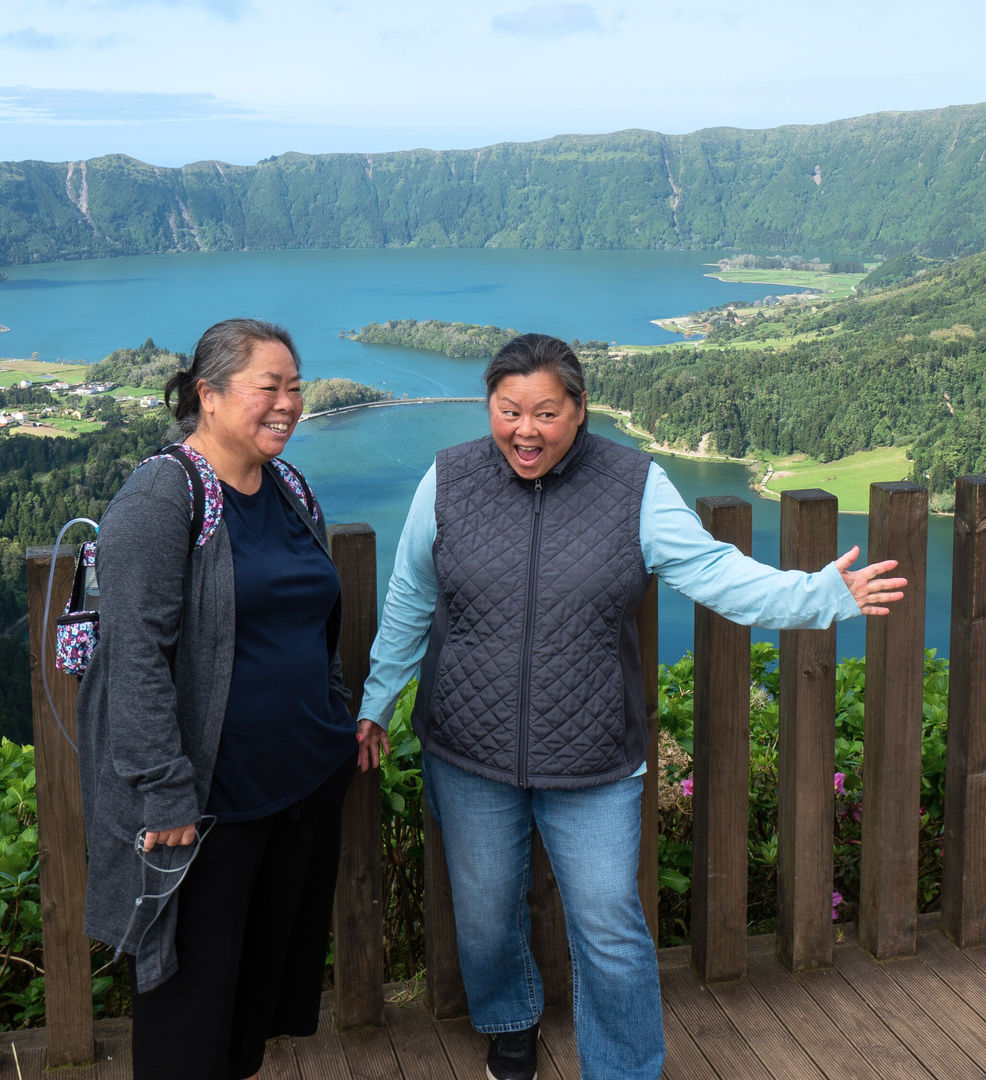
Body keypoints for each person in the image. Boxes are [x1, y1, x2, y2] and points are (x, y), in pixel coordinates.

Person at [354, 333, 906, 1080]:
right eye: (508, 410)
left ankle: (624, 1069)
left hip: (592, 754)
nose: (525, 430)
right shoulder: (448, 479)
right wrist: (377, 702)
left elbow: (715, 572)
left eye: (546, 412)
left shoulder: (633, 486)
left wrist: (821, 596)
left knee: (609, 923)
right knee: (483, 918)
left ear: (580, 410)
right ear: (489, 405)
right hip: (468, 748)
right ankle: (510, 1022)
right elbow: (411, 595)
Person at [77, 317, 369, 1080]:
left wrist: (336, 724)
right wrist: (165, 792)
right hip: (209, 807)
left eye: (296, 388)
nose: (288, 404)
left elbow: (314, 621)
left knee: (249, 1006)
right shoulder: (163, 495)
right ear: (207, 395)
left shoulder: (289, 487)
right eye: (268, 388)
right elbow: (135, 657)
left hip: (299, 786)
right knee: (187, 1013)